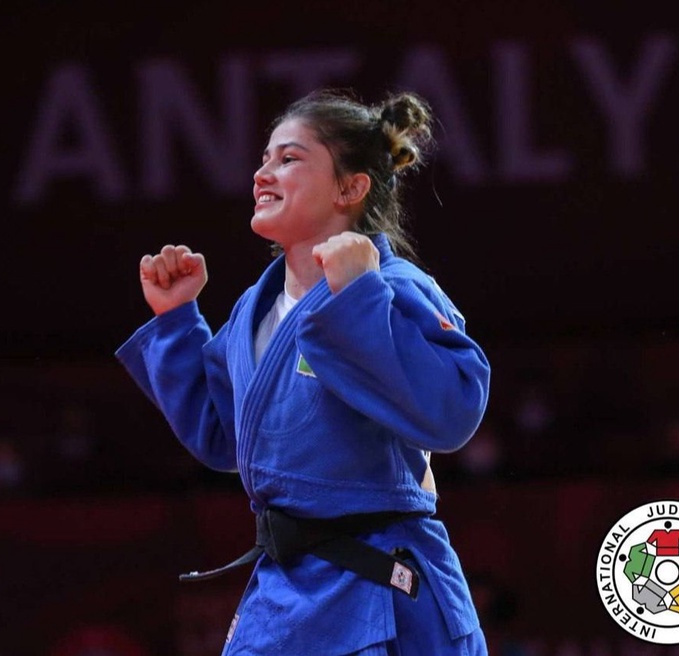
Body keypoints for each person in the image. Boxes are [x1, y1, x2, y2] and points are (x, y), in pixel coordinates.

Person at [116, 88, 491, 655]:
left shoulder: (394, 287)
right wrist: (176, 323)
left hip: (381, 590)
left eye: (289, 158)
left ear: (350, 188)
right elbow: (223, 436)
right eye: (264, 158)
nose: (263, 174)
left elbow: (452, 414)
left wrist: (359, 295)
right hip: (284, 595)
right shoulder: (255, 309)